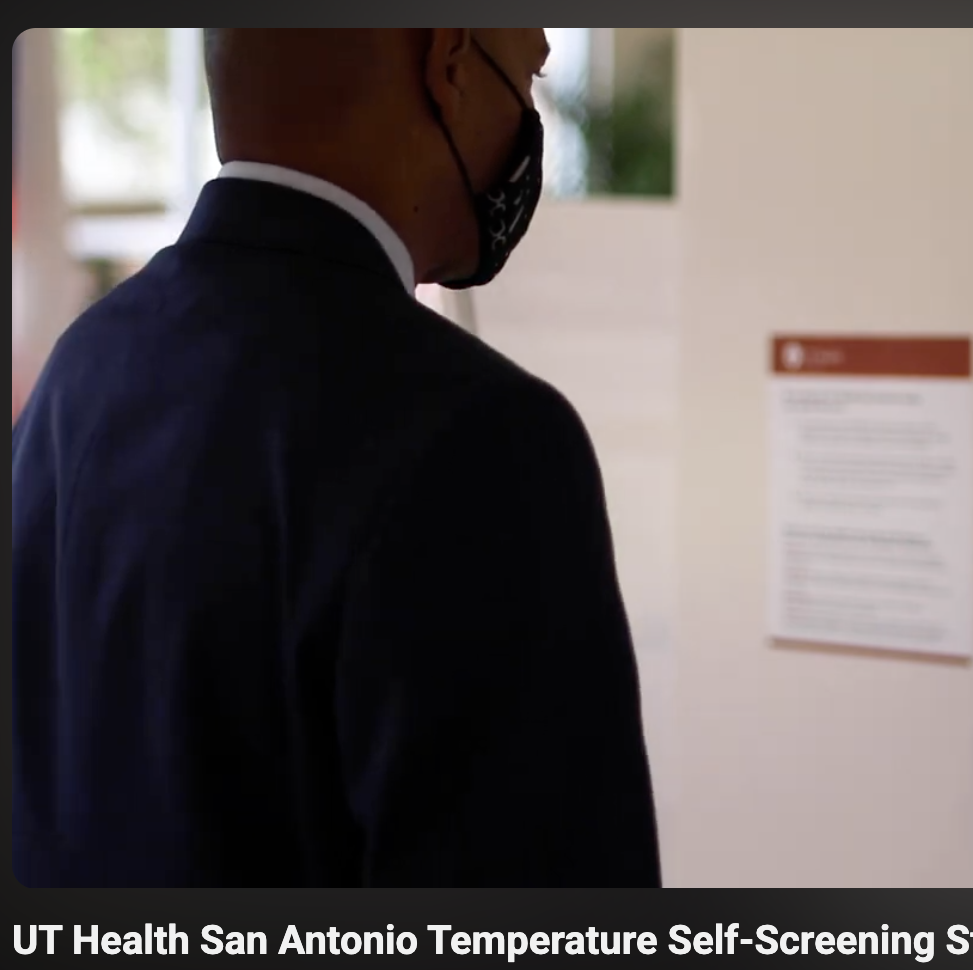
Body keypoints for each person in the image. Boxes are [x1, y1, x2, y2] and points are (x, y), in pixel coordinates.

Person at [11, 29, 661, 888]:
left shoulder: (80, 369)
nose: (527, 120)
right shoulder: (483, 440)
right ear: (450, 67)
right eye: (527, 74)